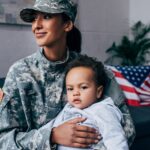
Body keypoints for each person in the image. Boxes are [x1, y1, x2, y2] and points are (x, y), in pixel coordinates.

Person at [0, 0, 135, 149]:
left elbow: (126, 130)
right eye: (33, 18)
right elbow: (4, 141)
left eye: (46, 17)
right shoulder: (19, 73)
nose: (36, 25)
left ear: (67, 24)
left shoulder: (93, 71)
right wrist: (52, 135)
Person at [53, 55, 129, 150]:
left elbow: (115, 138)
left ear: (98, 92)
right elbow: (53, 127)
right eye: (70, 89)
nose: (75, 93)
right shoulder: (68, 108)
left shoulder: (102, 109)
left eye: (83, 87)